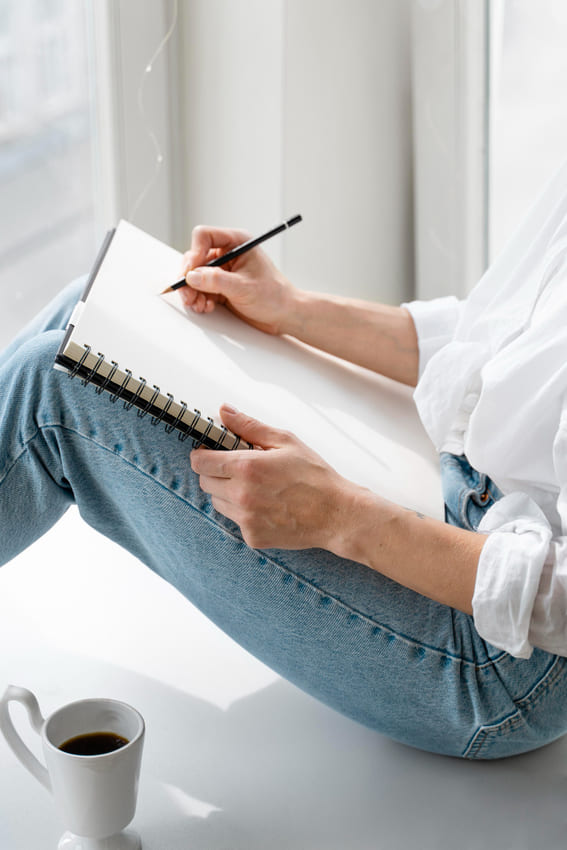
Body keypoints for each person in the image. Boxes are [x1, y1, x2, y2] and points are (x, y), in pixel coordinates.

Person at [2, 160, 567, 762]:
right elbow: (496, 338)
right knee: (93, 306)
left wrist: (345, 518)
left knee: (52, 388)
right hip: (453, 484)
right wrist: (292, 308)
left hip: (504, 655)